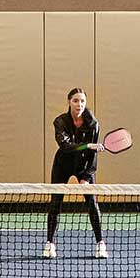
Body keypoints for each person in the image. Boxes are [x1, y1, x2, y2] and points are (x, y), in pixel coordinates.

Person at [43, 87, 110, 260]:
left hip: (84, 165)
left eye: (82, 101)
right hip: (62, 165)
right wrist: (86, 145)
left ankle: (100, 243)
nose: (79, 104)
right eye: (75, 100)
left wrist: (86, 177)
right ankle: (50, 243)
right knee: (55, 203)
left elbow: (93, 155)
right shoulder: (60, 121)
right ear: (69, 102)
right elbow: (65, 147)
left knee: (92, 203)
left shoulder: (93, 123)